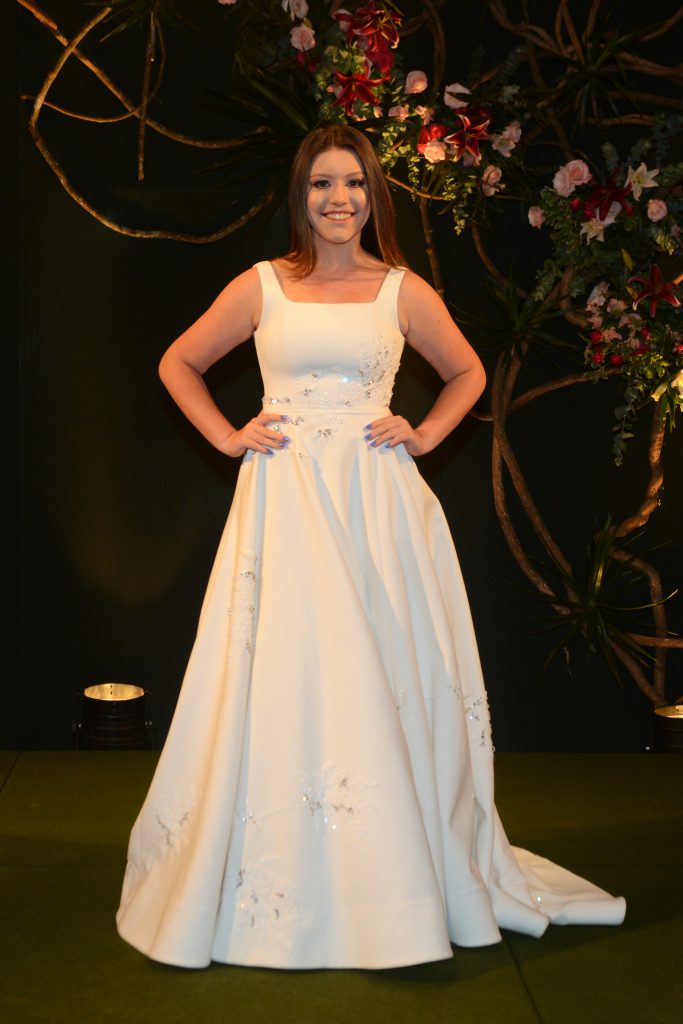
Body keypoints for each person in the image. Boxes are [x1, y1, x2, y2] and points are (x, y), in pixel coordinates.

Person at [116, 124, 625, 970]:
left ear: (372, 195)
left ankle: (397, 873)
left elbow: (467, 372)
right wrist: (229, 437)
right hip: (285, 502)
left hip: (376, 505)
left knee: (382, 670)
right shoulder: (261, 285)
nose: (338, 198)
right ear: (301, 195)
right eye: (322, 183)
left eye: (352, 182)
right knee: (286, 671)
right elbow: (178, 363)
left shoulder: (401, 289)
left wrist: (422, 434)